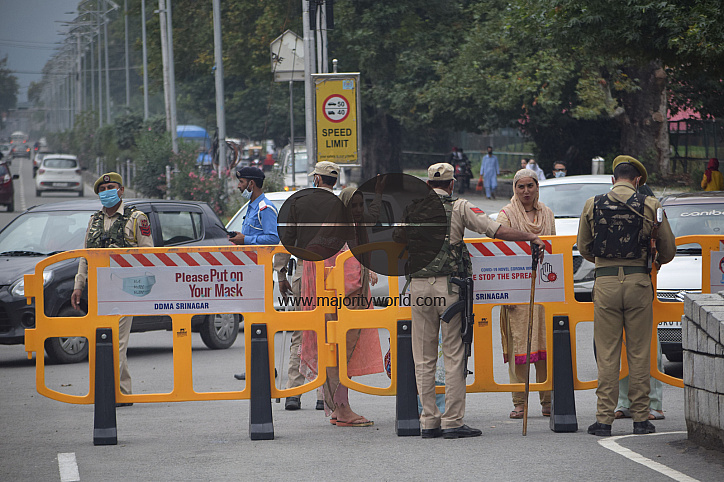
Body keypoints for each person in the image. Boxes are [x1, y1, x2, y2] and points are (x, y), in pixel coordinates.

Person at [408, 163, 546, 439]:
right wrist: (531, 236)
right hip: (449, 288)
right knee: (453, 355)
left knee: (423, 359)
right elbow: (496, 230)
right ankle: (452, 422)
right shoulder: (459, 206)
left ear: (427, 185)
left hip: (418, 288)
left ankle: (428, 421)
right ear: (452, 184)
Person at [577, 155, 676, 436]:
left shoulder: (593, 204)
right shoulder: (651, 204)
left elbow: (583, 247)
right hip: (638, 283)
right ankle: (641, 418)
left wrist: (604, 262)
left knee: (608, 354)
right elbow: (668, 251)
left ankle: (604, 420)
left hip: (606, 283)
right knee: (639, 352)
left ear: (613, 179)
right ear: (637, 180)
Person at [298, 185, 384, 426]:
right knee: (338, 357)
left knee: (341, 356)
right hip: (339, 307)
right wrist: (362, 271)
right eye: (352, 206)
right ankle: (343, 408)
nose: (357, 210)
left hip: (344, 305)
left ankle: (339, 407)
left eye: (360, 205)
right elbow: (342, 272)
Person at [71, 172, 154, 407]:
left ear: (121, 190)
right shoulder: (94, 220)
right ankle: (123, 391)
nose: (106, 191)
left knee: (115, 341)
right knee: (107, 340)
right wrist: (79, 285)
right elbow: (85, 256)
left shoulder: (137, 218)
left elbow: (149, 254)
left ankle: (109, 392)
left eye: (111, 187)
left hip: (125, 290)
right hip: (99, 291)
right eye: (102, 189)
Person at [497, 169, 555, 419]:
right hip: (516, 291)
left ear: (537, 186)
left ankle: (548, 401)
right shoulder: (506, 215)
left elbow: (555, 248)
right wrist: (506, 293)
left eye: (530, 185)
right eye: (521, 187)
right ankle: (519, 402)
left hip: (545, 289)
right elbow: (498, 255)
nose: (526, 191)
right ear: (514, 189)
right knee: (520, 346)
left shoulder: (548, 214)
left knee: (545, 345)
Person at [230, 166, 280, 381]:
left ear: (251, 183)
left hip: (261, 274)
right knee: (252, 322)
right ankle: (256, 367)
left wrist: (246, 239)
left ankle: (265, 368)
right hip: (250, 273)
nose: (238, 186)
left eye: (241, 182)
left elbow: (273, 238)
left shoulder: (264, 208)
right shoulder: (251, 207)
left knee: (261, 323)